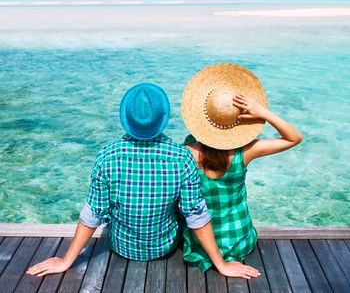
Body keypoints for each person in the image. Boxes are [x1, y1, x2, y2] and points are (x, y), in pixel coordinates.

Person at [26, 83, 260, 278]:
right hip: (164, 248)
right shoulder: (180, 156)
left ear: (125, 118)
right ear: (163, 118)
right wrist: (221, 265)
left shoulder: (107, 155)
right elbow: (195, 215)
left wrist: (67, 260)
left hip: (122, 248)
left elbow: (93, 212)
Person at [180, 63, 303, 275]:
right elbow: (294, 138)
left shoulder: (186, 153)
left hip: (201, 246)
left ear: (202, 118)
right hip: (240, 240)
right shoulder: (245, 152)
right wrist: (263, 113)